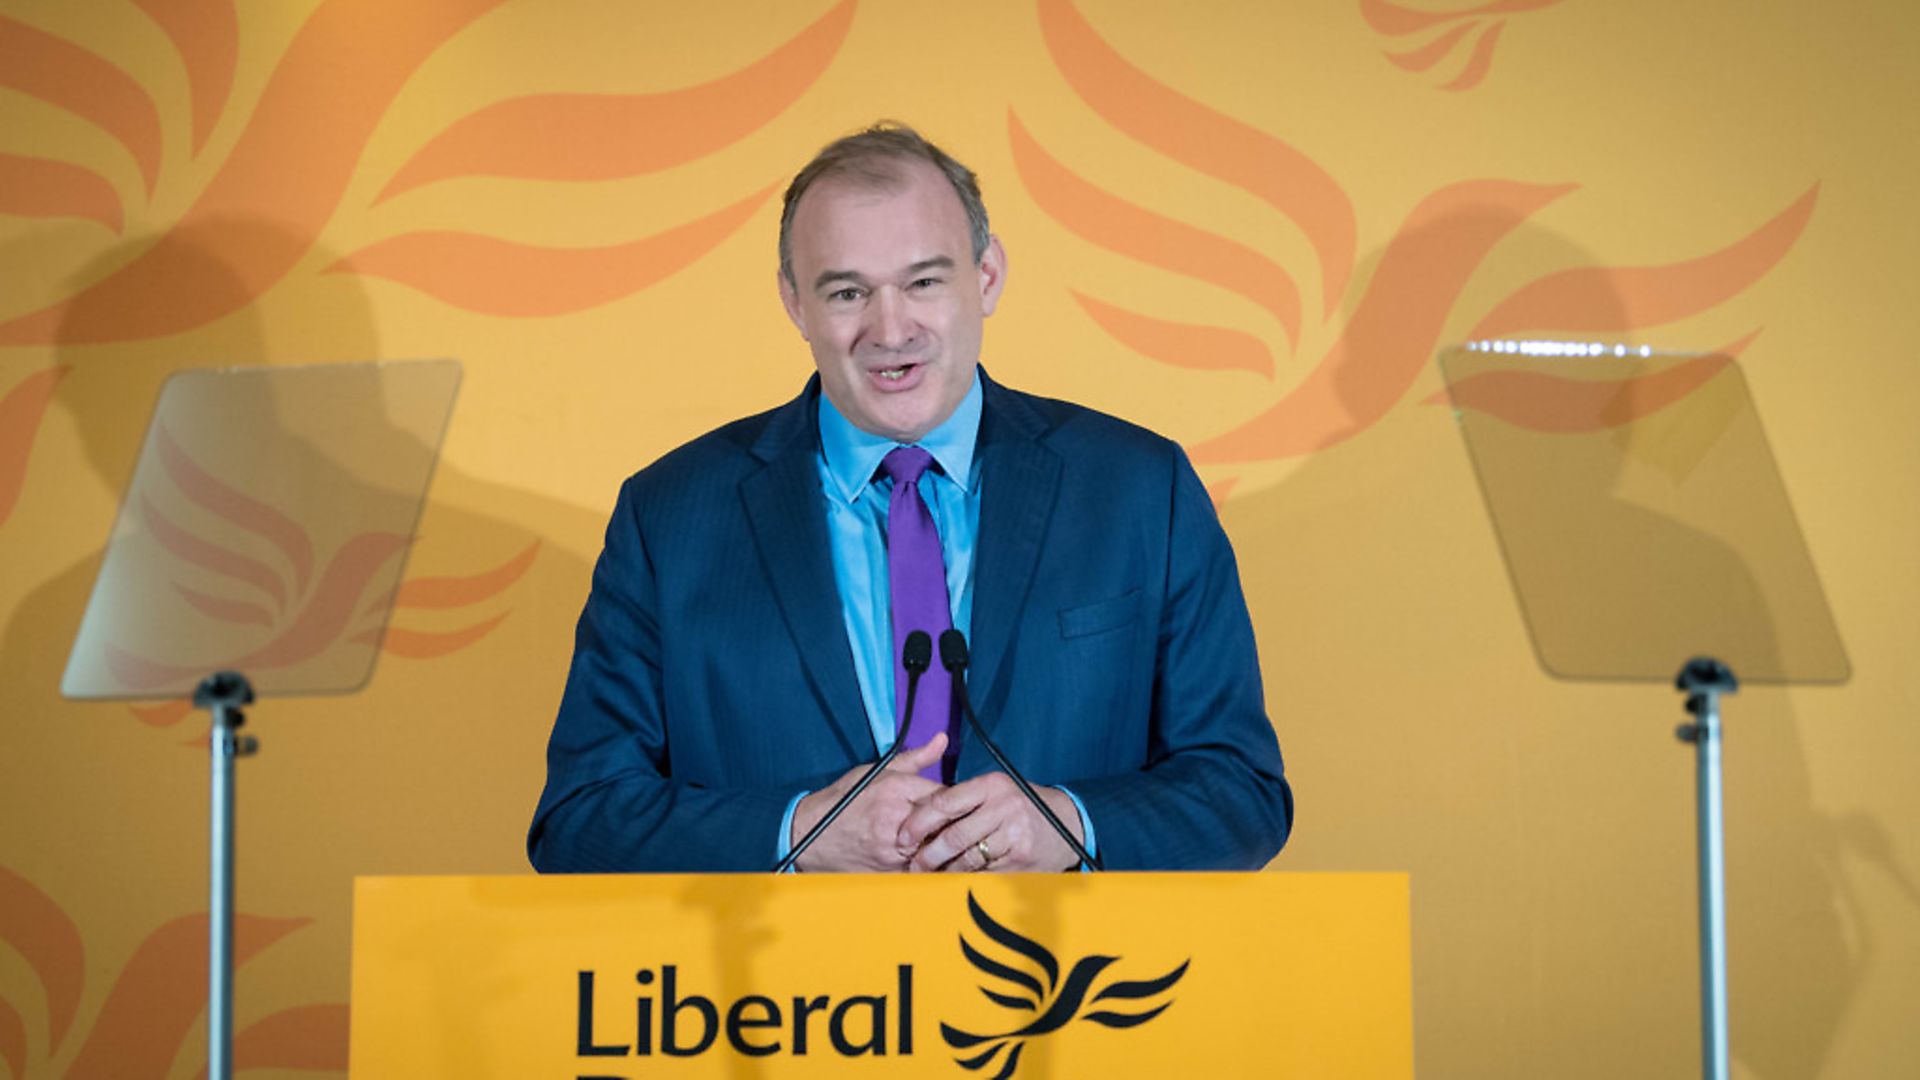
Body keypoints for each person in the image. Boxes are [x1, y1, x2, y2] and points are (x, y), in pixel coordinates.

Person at [528, 123, 1290, 873]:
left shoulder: (1138, 490)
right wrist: (798, 832)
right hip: (780, 995)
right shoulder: (670, 518)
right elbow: (579, 820)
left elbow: (1241, 792)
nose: (890, 329)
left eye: (924, 282)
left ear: (986, 277)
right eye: (848, 292)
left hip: (1067, 983)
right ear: (795, 303)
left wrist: (1070, 825)